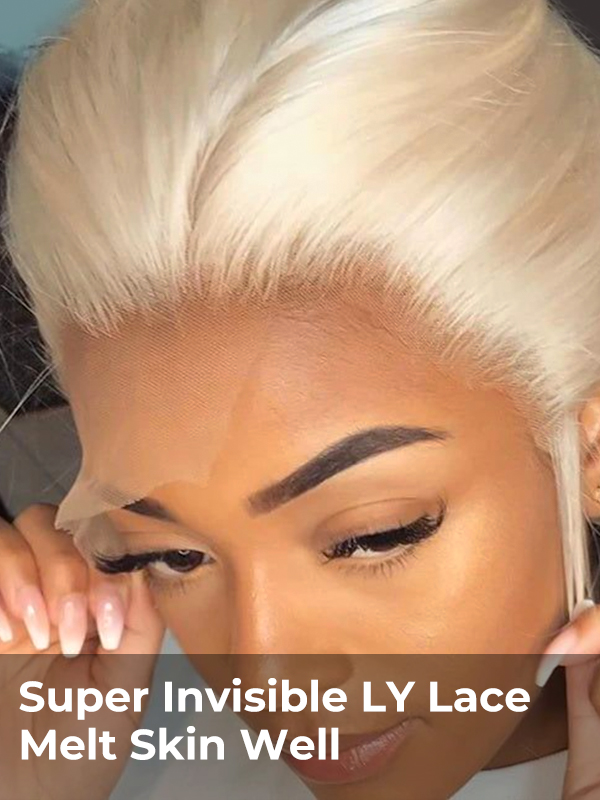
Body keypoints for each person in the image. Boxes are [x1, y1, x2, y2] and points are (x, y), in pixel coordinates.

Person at [1, 0, 600, 797]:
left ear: (590, 449)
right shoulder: (97, 727)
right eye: (171, 557)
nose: (267, 679)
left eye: (372, 538)